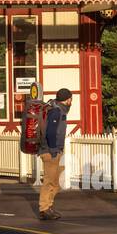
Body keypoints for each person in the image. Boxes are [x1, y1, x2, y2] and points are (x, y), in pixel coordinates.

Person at [38, 88, 72, 220]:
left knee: (55, 183)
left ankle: (48, 206)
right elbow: (51, 132)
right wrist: (53, 149)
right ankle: (44, 209)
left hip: (54, 151)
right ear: (67, 99)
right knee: (49, 181)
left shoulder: (57, 109)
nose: (71, 101)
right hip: (50, 151)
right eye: (70, 99)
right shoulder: (56, 111)